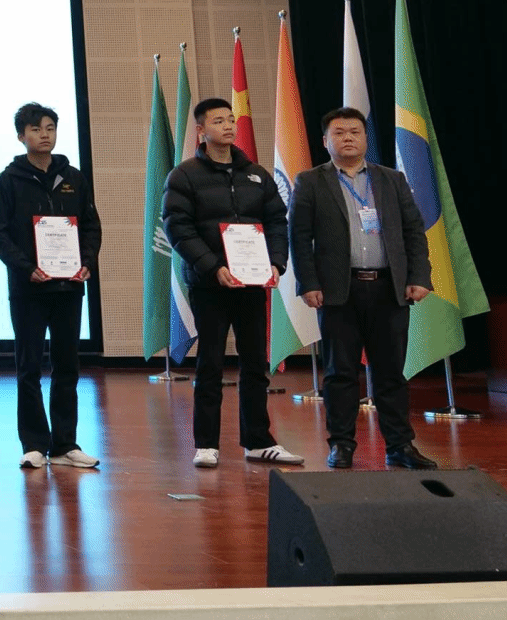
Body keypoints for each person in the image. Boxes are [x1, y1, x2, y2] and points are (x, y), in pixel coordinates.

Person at [292, 107, 438, 470]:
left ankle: (400, 445)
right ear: (325, 141)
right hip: (339, 292)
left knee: (391, 374)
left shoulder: (392, 180)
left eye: (355, 132)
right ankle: (341, 445)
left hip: (389, 289)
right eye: (339, 132)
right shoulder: (310, 182)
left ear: (365, 138)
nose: (348, 138)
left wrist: (419, 276)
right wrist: (308, 282)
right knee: (340, 374)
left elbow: (414, 232)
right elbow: (299, 238)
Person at [164, 97, 304, 468]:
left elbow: (277, 221)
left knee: (255, 363)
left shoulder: (256, 174)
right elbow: (178, 228)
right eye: (218, 121)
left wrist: (276, 262)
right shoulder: (184, 175)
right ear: (201, 130)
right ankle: (206, 444)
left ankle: (258, 441)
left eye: (230, 119)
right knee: (210, 363)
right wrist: (213, 267)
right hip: (210, 285)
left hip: (252, 284)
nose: (228, 126)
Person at [0, 103, 103, 470]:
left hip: (69, 287)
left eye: (50, 128)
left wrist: (86, 262)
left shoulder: (74, 178)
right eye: (36, 129)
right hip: (29, 289)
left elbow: (90, 225)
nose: (44, 135)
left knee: (68, 367)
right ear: (21, 136)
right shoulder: (8, 181)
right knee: (29, 369)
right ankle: (35, 444)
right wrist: (26, 269)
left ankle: (65, 445)